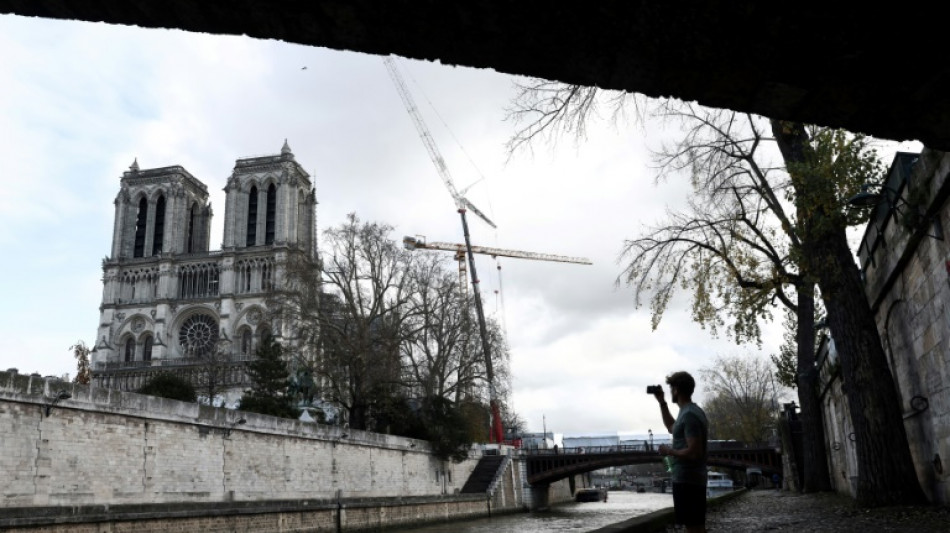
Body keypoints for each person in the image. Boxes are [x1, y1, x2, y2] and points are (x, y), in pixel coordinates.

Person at [654, 371, 708, 533]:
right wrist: (662, 402)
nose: (670, 392)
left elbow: (694, 452)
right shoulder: (689, 412)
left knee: (693, 527)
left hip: (688, 480)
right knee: (694, 525)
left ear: (676, 389)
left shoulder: (690, 414)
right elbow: (672, 427)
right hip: (689, 479)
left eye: (671, 388)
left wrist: (669, 451)